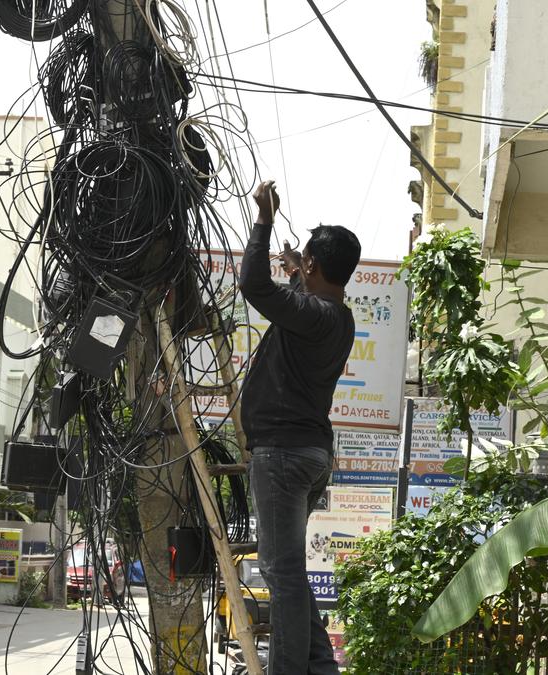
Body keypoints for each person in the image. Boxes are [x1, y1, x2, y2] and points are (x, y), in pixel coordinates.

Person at [239, 180, 360, 675]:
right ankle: (318, 663)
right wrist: (296, 270)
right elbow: (298, 298)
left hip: (283, 456)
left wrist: (264, 222)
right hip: (306, 455)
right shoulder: (337, 316)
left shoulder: (313, 315)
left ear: (313, 266)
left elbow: (253, 285)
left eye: (304, 262)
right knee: (292, 571)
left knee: (281, 572)